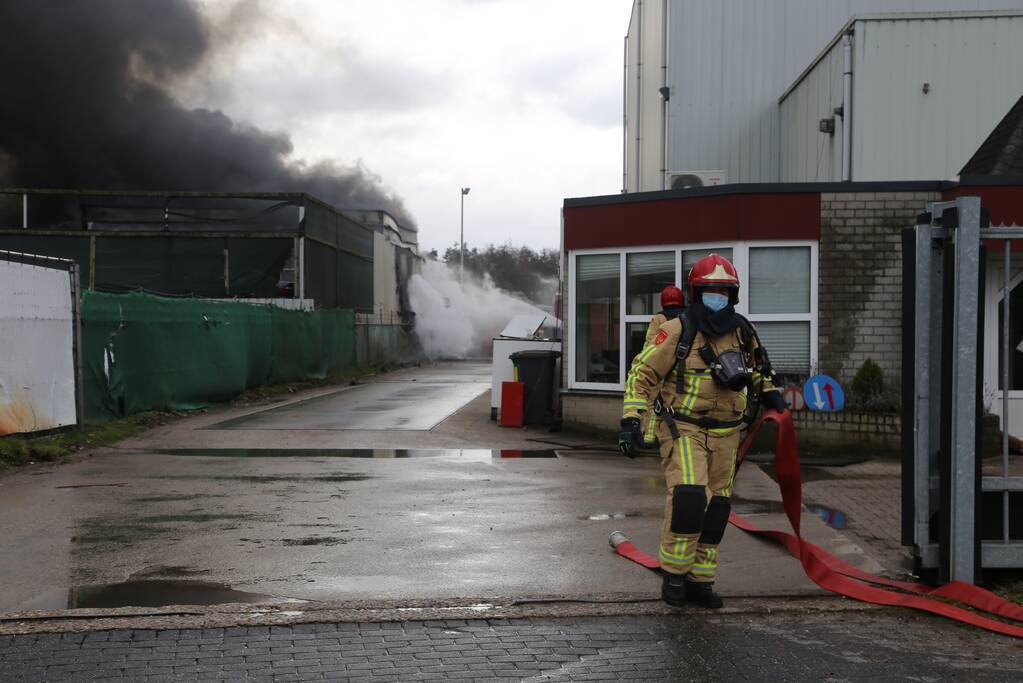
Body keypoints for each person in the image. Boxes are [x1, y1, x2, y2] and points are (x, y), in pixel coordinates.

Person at [617, 253, 787, 608]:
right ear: (697, 293)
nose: (717, 297)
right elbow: (642, 374)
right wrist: (632, 420)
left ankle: (701, 580)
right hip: (684, 427)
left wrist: (769, 392)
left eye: (723, 291)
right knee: (691, 498)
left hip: (728, 433)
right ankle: (675, 576)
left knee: (717, 508)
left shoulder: (742, 330)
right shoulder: (678, 330)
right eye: (710, 290)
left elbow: (758, 369)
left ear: (733, 295)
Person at [631, 285, 685, 448]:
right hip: (679, 368)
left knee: (653, 403)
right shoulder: (685, 318)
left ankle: (648, 439)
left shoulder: (659, 319)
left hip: (660, 366)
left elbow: (650, 344)